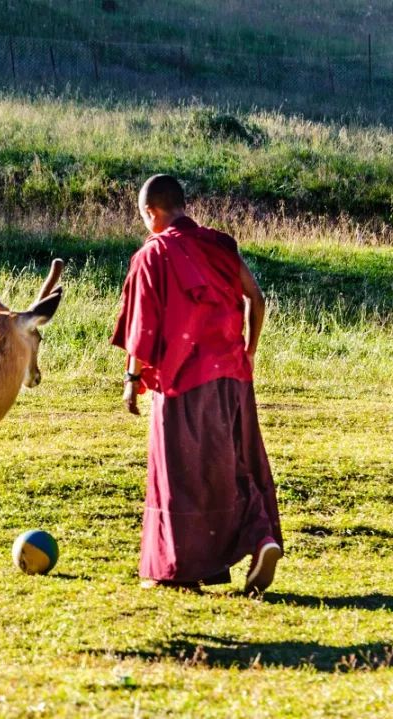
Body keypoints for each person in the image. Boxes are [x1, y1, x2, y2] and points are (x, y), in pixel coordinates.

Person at [111, 174, 282, 595]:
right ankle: (262, 538)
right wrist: (251, 351)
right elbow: (255, 298)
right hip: (233, 375)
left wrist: (132, 379)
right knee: (237, 464)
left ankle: (180, 571)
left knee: (180, 474)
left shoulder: (152, 255)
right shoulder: (219, 244)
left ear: (151, 212)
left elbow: (142, 325)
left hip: (183, 380)